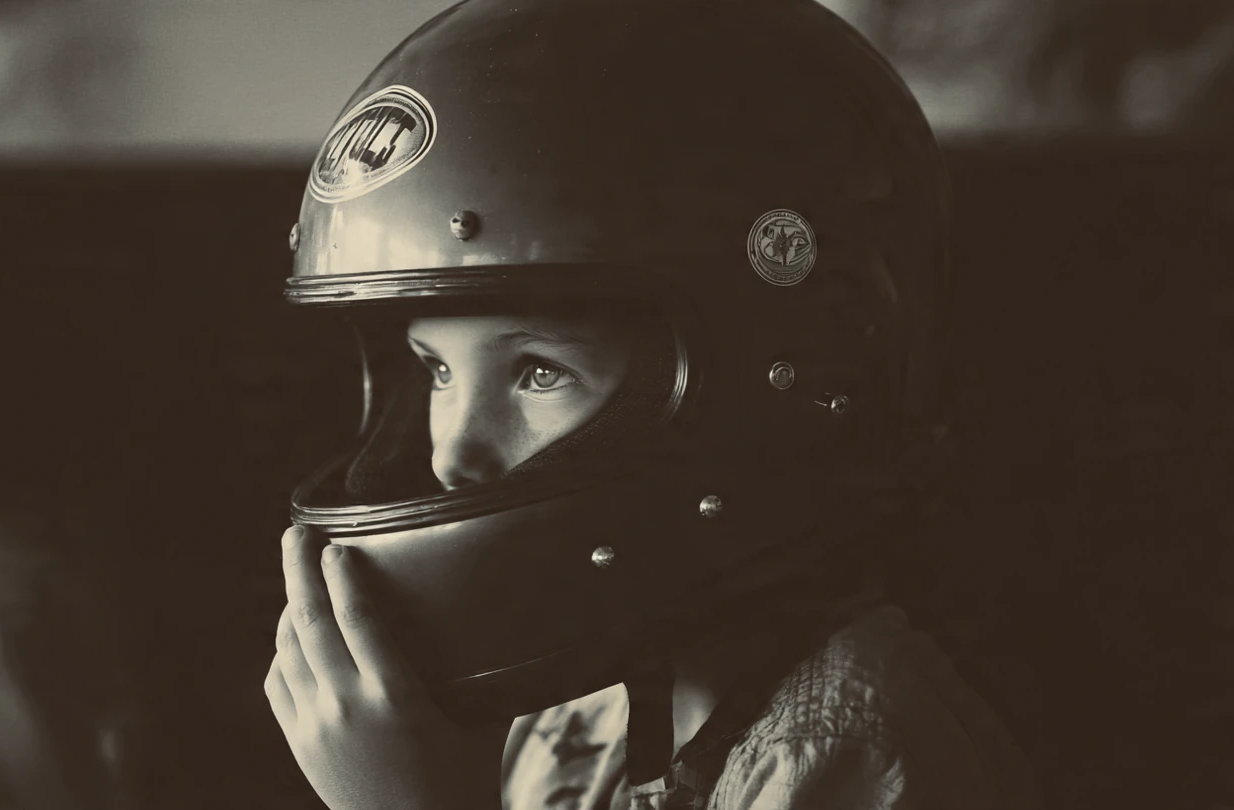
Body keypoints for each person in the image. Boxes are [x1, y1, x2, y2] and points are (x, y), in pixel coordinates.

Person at [264, 0, 1040, 808]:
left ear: (755, 392)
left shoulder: (847, 755)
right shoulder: (580, 707)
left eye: (537, 373)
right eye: (436, 371)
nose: (453, 454)